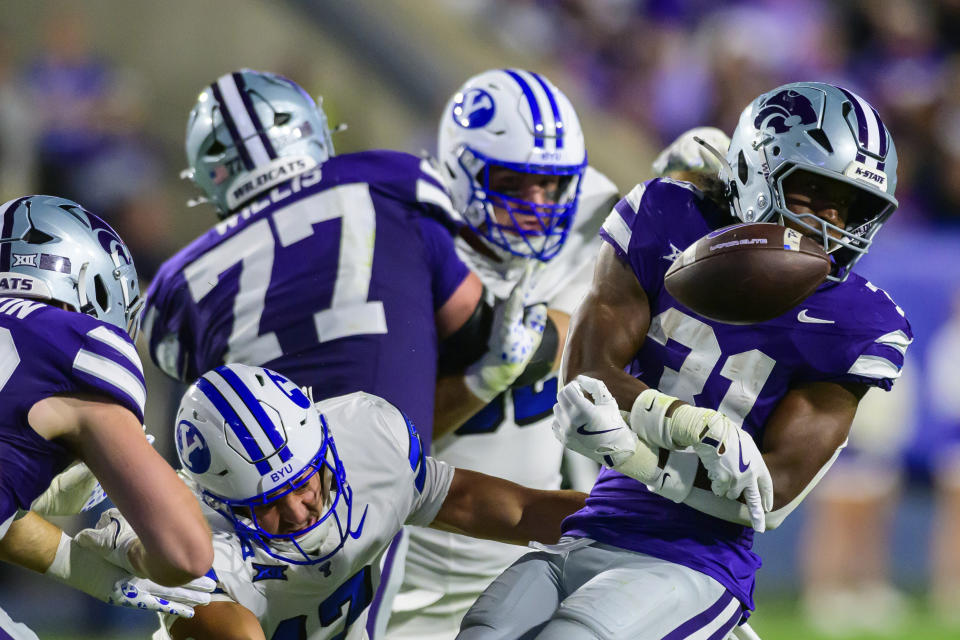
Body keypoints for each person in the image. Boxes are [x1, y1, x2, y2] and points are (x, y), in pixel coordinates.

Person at [459, 82, 912, 639]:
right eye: (807, 196)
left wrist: (644, 459)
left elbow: (768, 498)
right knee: (484, 630)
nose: (824, 226)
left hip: (699, 563)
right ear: (752, 171)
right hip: (592, 528)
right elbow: (583, 380)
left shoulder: (858, 320)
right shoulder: (665, 215)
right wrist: (684, 423)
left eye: (842, 208)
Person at [142, 69, 544, 452]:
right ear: (311, 130)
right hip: (384, 478)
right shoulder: (389, 179)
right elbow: (475, 334)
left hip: (265, 500)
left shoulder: (178, 282)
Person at [382, 69, 619, 640]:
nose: (539, 204)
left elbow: (576, 327)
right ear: (462, 171)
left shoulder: (588, 214)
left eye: (552, 184)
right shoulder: (408, 252)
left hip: (531, 549)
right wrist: (483, 378)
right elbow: (379, 441)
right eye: (514, 182)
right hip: (411, 571)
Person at [138, 363, 587, 639]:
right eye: (268, 505)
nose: (298, 511)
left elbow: (514, 509)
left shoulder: (368, 440)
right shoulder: (191, 541)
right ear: (219, 504)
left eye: (305, 482)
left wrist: (624, 516)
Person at [0, 195, 214, 638]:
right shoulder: (73, 345)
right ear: (90, 282)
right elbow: (187, 553)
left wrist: (82, 570)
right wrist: (134, 551)